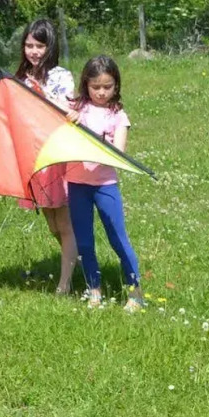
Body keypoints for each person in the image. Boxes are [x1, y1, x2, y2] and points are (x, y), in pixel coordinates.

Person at [0, 18, 77, 294]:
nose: (33, 51)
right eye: (29, 45)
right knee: (53, 225)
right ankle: (76, 258)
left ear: (50, 47)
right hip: (34, 159)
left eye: (39, 46)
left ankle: (64, 284)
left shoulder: (61, 76)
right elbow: (8, 114)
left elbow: (66, 111)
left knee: (65, 223)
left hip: (57, 155)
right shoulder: (18, 79)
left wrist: (39, 92)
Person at [66, 55, 144, 311]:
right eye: (95, 86)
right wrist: (71, 122)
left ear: (116, 86)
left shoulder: (118, 116)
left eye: (107, 86)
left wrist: (96, 138)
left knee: (118, 239)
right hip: (77, 184)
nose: (101, 92)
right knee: (85, 241)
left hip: (105, 185)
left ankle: (135, 292)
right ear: (85, 84)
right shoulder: (76, 109)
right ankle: (94, 289)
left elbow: (117, 152)